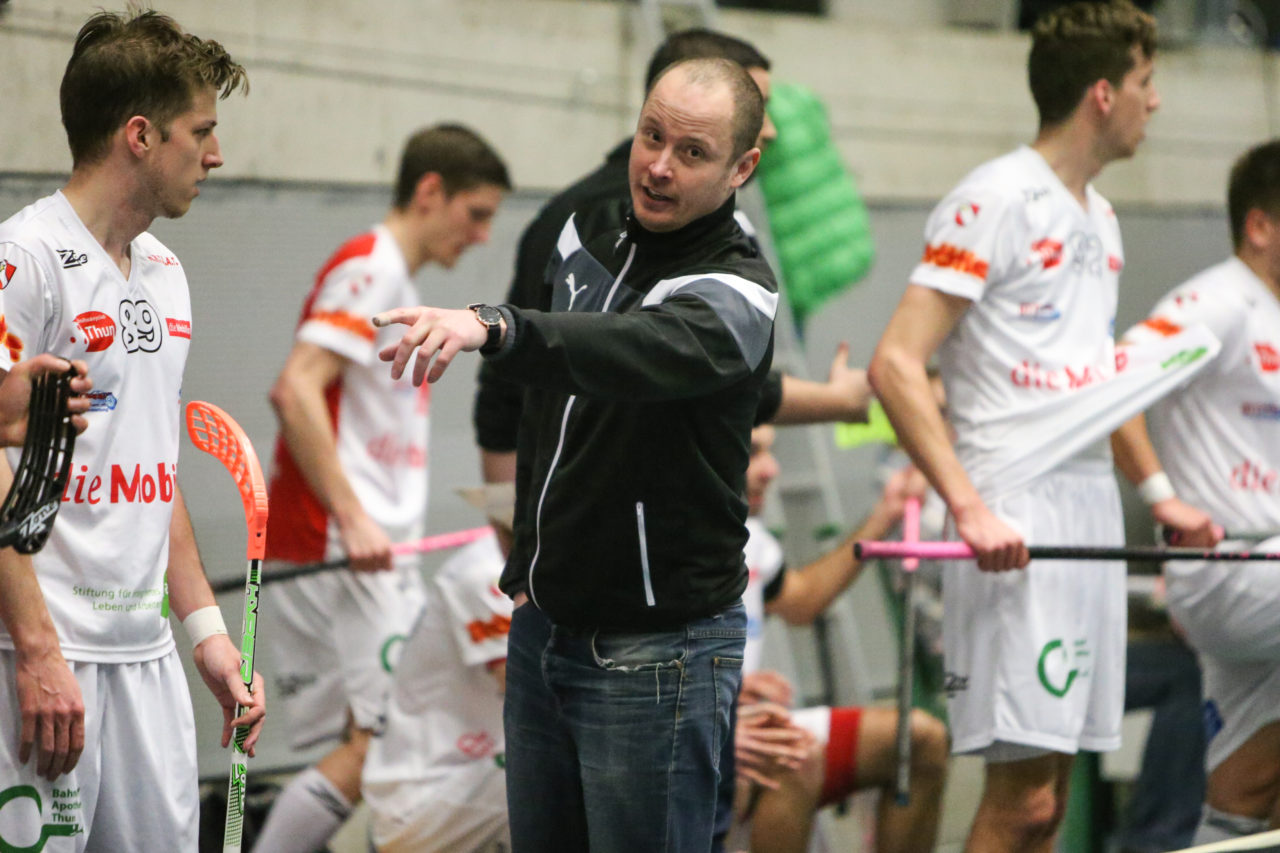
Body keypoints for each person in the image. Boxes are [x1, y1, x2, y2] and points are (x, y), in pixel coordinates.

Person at [376, 57, 774, 852]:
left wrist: (498, 324)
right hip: (544, 628)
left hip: (657, 650)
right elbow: (542, 408)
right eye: (651, 136)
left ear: (742, 168)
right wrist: (528, 570)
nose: (658, 166)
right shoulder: (584, 231)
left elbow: (621, 349)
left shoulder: (736, 291)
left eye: (692, 152)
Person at [867, 2, 1160, 850]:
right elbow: (896, 363)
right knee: (1021, 802)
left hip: (1088, 510)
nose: (1155, 102)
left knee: (1053, 802)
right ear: (1103, 93)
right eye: (1145, 82)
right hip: (1014, 511)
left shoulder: (1101, 218)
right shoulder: (994, 196)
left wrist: (1160, 493)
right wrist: (968, 507)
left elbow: (1102, 384)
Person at [0, 9, 262, 851]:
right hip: (42, 660)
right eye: (202, 131)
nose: (215, 156)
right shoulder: (25, 260)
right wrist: (36, 649)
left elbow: (152, 468)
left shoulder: (167, 273)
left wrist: (207, 634)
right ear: (141, 136)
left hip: (146, 659)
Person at [250, 125, 510, 853]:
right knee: (377, 741)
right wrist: (355, 516)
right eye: (476, 213)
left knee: (363, 742)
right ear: (430, 191)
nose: (483, 236)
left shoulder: (396, 281)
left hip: (364, 545)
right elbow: (295, 390)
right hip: (344, 544)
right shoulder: (371, 266)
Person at [472, 27, 866, 486]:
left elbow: (692, 368)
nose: (770, 128)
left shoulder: (726, 256)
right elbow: (571, 369)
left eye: (692, 152)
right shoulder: (585, 224)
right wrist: (515, 513)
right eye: (758, 106)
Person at [1111, 139, 1280, 845]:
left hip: (1265, 586)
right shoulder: (1220, 301)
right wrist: (1162, 498)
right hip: (1232, 576)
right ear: (1260, 226)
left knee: (1247, 786)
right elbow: (1115, 381)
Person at [729, 425, 948, 853]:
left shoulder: (752, 540)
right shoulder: (664, 541)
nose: (771, 470)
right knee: (796, 756)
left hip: (738, 719)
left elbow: (802, 601)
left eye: (770, 452)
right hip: (694, 732)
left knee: (921, 741)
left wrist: (884, 515)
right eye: (752, 452)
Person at [362, 484, 516, 853]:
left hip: (472, 778)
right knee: (574, 768)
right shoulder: (485, 573)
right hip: (425, 799)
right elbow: (531, 697)